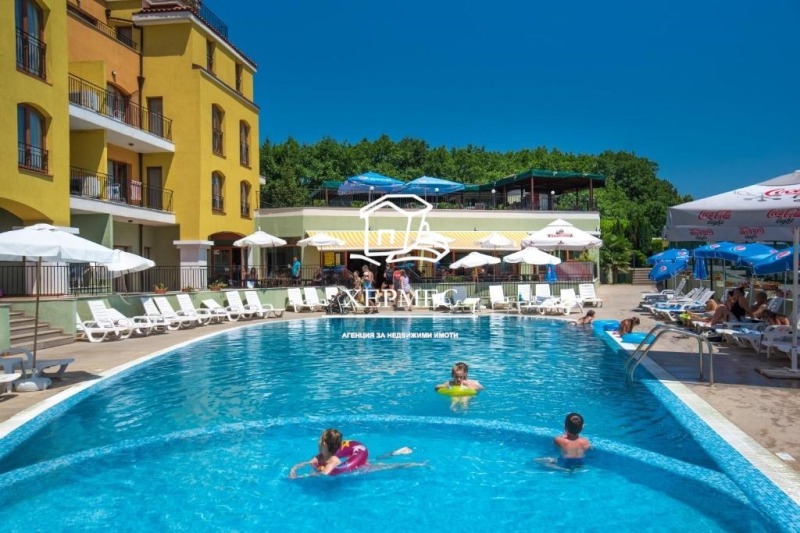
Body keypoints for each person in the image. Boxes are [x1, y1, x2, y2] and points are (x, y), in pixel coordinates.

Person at [288, 428, 423, 478]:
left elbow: (324, 475)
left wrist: (306, 476)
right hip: (354, 459)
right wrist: (295, 468)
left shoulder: (334, 461)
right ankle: (392, 453)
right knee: (376, 459)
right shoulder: (320, 456)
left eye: (319, 440)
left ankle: (411, 464)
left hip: (359, 467)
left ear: (324, 445)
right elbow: (308, 463)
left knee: (383, 467)